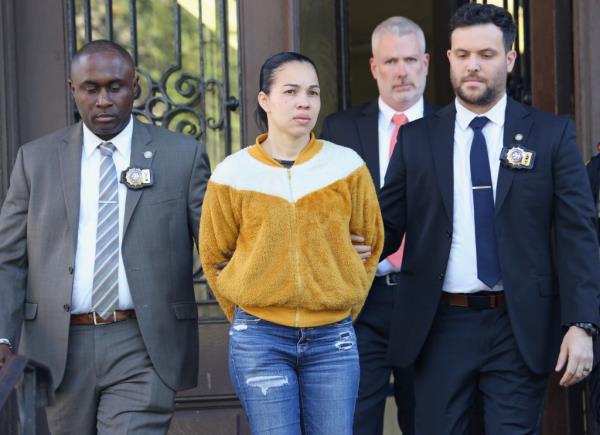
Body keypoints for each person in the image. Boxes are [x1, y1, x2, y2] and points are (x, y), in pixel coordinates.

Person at [379, 4, 600, 434]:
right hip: (438, 326)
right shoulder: (416, 139)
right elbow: (383, 228)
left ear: (510, 58)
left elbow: (578, 235)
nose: (473, 66)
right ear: (448, 60)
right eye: (462, 55)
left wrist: (582, 324)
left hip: (517, 327)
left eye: (486, 54)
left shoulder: (551, 135)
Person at [0, 40, 210, 434]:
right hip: (58, 348)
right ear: (72, 89)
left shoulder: (182, 155)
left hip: (144, 342)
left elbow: (215, 247)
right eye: (90, 88)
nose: (103, 100)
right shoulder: (36, 160)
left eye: (115, 87)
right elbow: (7, 258)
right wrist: (2, 335)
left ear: (136, 87)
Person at [199, 51, 383, 435]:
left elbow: (371, 244)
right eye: (291, 91)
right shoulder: (233, 173)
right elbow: (214, 255)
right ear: (264, 100)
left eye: (313, 93)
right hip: (260, 337)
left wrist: (344, 297)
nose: (305, 102)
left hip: (332, 337)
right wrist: (247, 312)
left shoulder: (346, 166)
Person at [320, 16, 433, 435]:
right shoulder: (340, 129)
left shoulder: (449, 127)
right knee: (355, 420)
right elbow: (323, 212)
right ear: (373, 67)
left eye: (408, 60)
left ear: (425, 63)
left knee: (428, 420)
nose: (400, 72)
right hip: (362, 301)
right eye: (389, 61)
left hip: (430, 301)